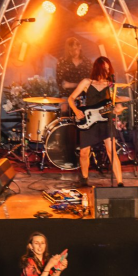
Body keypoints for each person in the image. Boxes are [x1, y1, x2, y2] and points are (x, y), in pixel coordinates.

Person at [67, 56, 125, 187]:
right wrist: (77, 111)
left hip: (105, 121)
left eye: (108, 67)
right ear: (97, 67)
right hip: (89, 121)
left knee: (112, 151)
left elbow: (113, 104)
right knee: (84, 152)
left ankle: (120, 182)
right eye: (104, 67)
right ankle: (84, 179)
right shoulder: (87, 82)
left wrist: (117, 110)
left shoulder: (111, 85)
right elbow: (71, 98)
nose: (106, 70)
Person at [55, 37, 91, 114]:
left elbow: (90, 82)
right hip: (66, 95)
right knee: (64, 109)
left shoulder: (87, 63)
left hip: (83, 96)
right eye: (71, 50)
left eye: (75, 49)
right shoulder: (62, 62)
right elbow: (62, 84)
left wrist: (71, 84)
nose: (73, 52)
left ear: (80, 47)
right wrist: (81, 84)